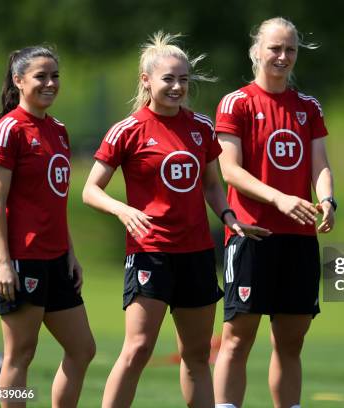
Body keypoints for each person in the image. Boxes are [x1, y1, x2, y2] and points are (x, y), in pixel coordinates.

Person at [82, 32, 269, 408]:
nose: (177, 86)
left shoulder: (200, 127)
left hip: (197, 254)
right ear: (146, 80)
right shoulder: (128, 129)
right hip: (150, 253)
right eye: (168, 79)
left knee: (198, 356)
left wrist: (229, 217)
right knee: (137, 350)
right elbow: (90, 190)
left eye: (184, 79)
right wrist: (123, 210)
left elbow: (213, 185)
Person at [213, 17, 336, 408]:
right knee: (238, 336)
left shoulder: (308, 107)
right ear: (257, 51)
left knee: (291, 340)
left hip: (299, 238)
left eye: (290, 50)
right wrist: (279, 198)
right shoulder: (237, 102)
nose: (283, 57)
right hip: (251, 233)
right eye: (275, 48)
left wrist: (328, 200)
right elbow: (229, 170)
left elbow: (320, 165)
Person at [0, 46, 96, 408]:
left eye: (55, 76)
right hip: (21, 259)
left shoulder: (58, 130)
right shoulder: (8, 130)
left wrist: (71, 254)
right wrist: (3, 261)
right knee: (20, 354)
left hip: (55, 258)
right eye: (41, 76)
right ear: (18, 81)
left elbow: (54, 201)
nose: (50, 83)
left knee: (82, 349)